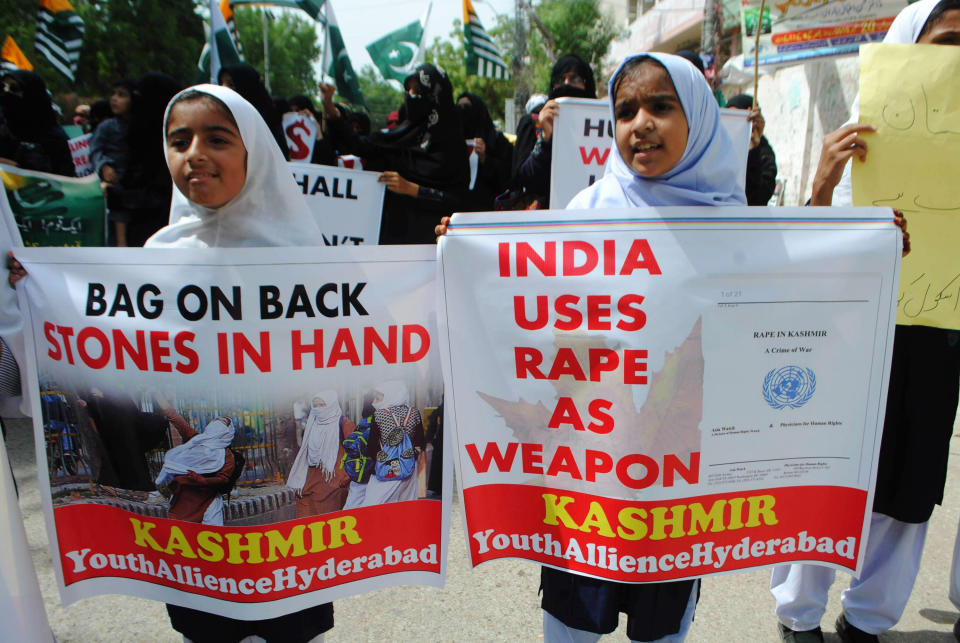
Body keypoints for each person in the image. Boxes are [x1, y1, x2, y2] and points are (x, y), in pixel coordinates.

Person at [528, 51, 745, 643]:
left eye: (660, 106)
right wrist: (464, 253)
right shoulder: (584, 215)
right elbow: (530, 317)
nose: (640, 123)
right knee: (572, 620)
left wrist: (872, 248)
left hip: (680, 477)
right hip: (589, 467)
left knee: (661, 627)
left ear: (698, 116)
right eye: (625, 111)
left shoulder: (737, 225)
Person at [770, 1, 960, 641]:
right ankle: (800, 617)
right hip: (852, 338)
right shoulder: (856, 146)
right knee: (831, 475)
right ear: (909, 44)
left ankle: (867, 619)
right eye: (948, 41)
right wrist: (824, 189)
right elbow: (799, 260)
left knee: (911, 484)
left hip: (937, 338)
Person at [145, 83, 333, 642]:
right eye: (180, 140)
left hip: (284, 553)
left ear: (253, 151)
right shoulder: (153, 262)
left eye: (217, 139)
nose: (195, 154)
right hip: (201, 555)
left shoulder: (304, 255)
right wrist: (34, 291)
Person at [321, 64, 469, 244]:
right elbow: (361, 146)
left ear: (434, 95)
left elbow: (458, 201)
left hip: (430, 243)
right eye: (408, 91)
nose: (411, 97)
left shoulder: (451, 145)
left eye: (417, 91)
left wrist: (412, 189)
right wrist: (330, 107)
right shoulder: (400, 136)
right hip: (391, 241)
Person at [511, 54, 597, 208]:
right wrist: (545, 138)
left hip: (590, 218)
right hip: (549, 223)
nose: (566, 84)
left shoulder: (604, 124)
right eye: (559, 80)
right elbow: (526, 179)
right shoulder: (536, 124)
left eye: (574, 79)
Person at [155, 406, 236, 526]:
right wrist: (157, 394)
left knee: (213, 536)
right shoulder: (195, 440)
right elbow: (176, 419)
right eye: (216, 420)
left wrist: (203, 480)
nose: (218, 422)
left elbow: (223, 479)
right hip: (183, 497)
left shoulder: (226, 455)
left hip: (206, 499)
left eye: (223, 421)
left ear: (228, 431)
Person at [286, 391, 352, 517]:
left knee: (332, 518)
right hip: (312, 478)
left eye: (322, 405)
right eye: (315, 406)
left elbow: (355, 452)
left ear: (332, 405)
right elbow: (305, 453)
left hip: (334, 480)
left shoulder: (344, 424)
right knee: (306, 513)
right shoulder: (312, 424)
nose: (318, 409)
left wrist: (348, 476)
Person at [361, 380, 425, 505]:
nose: (375, 401)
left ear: (390, 395)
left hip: (387, 466)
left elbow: (372, 447)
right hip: (408, 466)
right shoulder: (414, 413)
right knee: (405, 505)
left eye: (379, 398)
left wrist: (377, 462)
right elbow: (420, 442)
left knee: (374, 503)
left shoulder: (379, 415)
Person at [0, 70, 74, 176]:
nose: (7, 92)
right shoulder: (3, 129)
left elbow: (67, 179)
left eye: (14, 88)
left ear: (32, 92)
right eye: (2, 86)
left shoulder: (54, 138)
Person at [90, 78, 135, 246]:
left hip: (135, 191)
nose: (115, 99)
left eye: (121, 95)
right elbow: (95, 150)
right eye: (114, 94)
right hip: (114, 187)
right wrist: (104, 166)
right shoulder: (107, 126)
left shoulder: (141, 126)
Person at [218, 63, 289, 160]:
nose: (223, 89)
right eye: (221, 83)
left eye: (231, 84)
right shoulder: (220, 118)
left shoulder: (267, 123)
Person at [456, 92, 513, 211]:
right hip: (458, 211)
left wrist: (485, 159)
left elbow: (507, 178)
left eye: (467, 107)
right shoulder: (453, 142)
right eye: (458, 107)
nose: (462, 111)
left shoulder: (497, 142)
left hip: (488, 213)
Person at [726, 93, 777, 205]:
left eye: (736, 118)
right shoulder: (723, 149)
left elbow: (758, 197)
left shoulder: (763, 152)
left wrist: (752, 148)